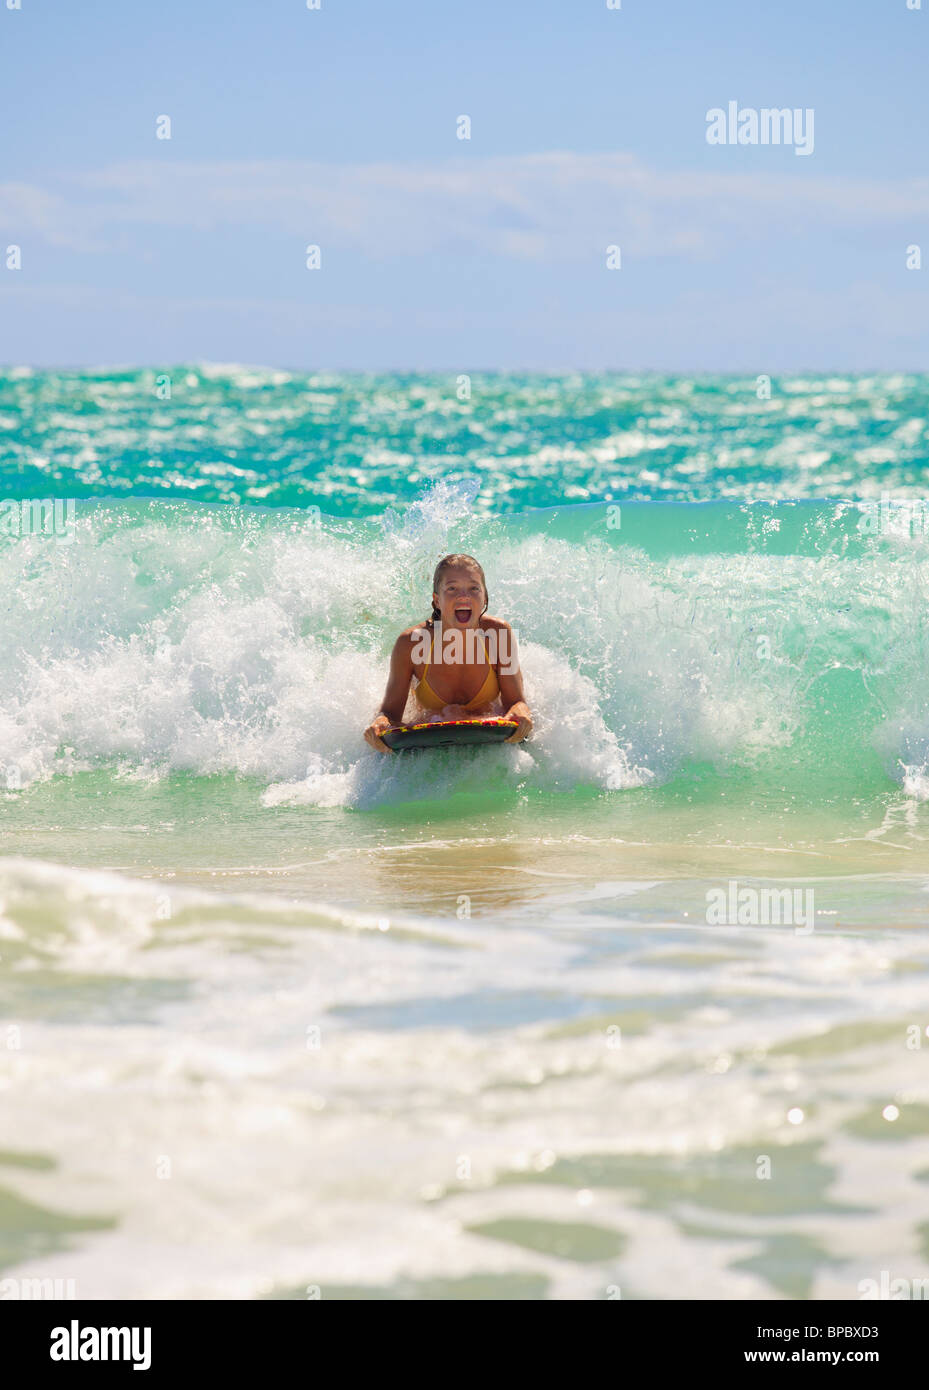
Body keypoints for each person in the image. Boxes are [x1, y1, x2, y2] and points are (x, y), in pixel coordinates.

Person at [364, 553, 533, 753]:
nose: (464, 596)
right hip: (432, 742)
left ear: (484, 597)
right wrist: (380, 723)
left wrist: (521, 713)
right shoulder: (410, 643)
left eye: (474, 588)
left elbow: (516, 702)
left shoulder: (499, 634)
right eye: (452, 588)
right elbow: (390, 714)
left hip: (486, 740)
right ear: (437, 600)